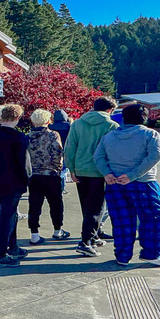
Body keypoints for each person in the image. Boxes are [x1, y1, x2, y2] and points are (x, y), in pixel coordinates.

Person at [94, 105, 160, 267]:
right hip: (144, 183)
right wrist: (132, 175)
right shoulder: (150, 134)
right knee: (154, 219)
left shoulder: (109, 137)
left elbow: (98, 156)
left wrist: (107, 173)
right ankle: (152, 253)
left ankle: (122, 255)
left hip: (114, 184)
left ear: (123, 118)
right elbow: (155, 156)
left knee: (121, 221)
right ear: (144, 118)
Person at [64, 97, 119, 257]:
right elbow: (112, 151)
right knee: (97, 208)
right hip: (100, 171)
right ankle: (85, 241)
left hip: (80, 169)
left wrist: (71, 168)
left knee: (87, 206)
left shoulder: (78, 123)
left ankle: (94, 234)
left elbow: (70, 147)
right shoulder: (111, 126)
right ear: (110, 110)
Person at [0, 105, 31, 268]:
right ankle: (1, 253)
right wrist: (26, 180)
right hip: (14, 181)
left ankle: (13, 246)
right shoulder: (19, 137)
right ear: (17, 118)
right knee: (8, 216)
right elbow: (24, 164)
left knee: (8, 215)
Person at [26, 109, 70, 245]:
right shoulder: (52, 135)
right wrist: (57, 169)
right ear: (47, 120)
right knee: (56, 203)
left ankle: (34, 234)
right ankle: (57, 230)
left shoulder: (27, 136)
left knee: (34, 205)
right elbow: (57, 153)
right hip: (50, 174)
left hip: (33, 175)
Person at [49, 109, 72, 194]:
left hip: (53, 150)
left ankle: (54, 187)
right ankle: (61, 188)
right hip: (66, 150)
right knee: (63, 170)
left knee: (55, 170)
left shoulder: (50, 127)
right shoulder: (69, 126)